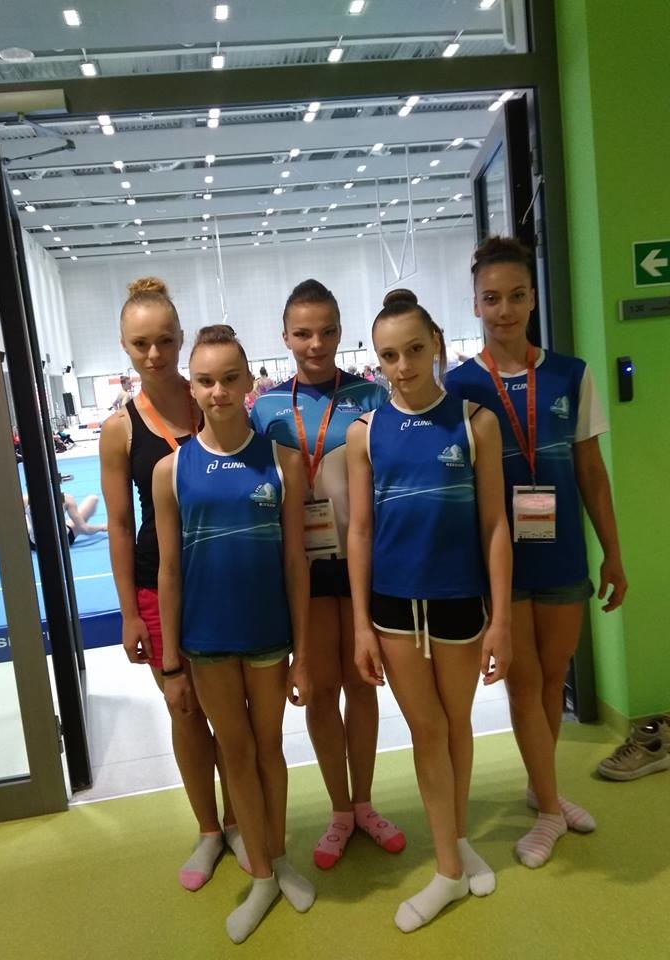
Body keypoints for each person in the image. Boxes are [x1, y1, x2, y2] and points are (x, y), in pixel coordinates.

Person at [446, 235, 628, 868]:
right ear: (475, 304)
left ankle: (539, 786)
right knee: (523, 683)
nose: (505, 310)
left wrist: (613, 553)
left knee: (553, 679)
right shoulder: (458, 386)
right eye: (491, 298)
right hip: (499, 561)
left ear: (532, 299)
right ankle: (550, 808)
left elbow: (591, 473)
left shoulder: (570, 375)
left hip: (562, 553)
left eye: (516, 296)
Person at [346, 288, 512, 932]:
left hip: (459, 604)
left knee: (456, 724)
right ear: (378, 359)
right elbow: (360, 531)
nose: (404, 366)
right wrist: (360, 624)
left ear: (437, 344)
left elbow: (495, 525)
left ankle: (456, 840)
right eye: (389, 356)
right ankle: (447, 868)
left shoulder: (475, 423)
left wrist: (501, 619)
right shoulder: (366, 433)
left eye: (415, 350)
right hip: (392, 609)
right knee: (427, 730)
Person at [153, 324, 315, 944]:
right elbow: (169, 572)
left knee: (269, 750)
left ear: (249, 381)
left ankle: (277, 856)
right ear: (191, 388)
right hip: (207, 642)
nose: (218, 391)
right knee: (236, 752)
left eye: (228, 379)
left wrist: (303, 653)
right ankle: (262, 876)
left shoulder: (283, 462)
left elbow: (296, 563)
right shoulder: (171, 471)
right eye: (205, 381)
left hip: (269, 638)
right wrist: (172, 662)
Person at [251, 279, 406, 869]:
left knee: (362, 684)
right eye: (303, 333)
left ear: (342, 331)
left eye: (327, 331)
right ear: (285, 337)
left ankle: (364, 802)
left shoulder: (371, 396)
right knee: (319, 690)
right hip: (303, 570)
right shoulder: (267, 409)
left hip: (363, 562)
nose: (315, 344)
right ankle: (339, 811)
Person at [99, 277, 245, 892]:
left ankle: (241, 822)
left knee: (233, 714)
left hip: (222, 577)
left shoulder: (214, 397)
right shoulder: (120, 429)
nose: (154, 354)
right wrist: (129, 613)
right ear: (125, 347)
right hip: (158, 587)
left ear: (181, 339)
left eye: (164, 340)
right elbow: (117, 524)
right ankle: (209, 829)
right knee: (185, 711)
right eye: (141, 344)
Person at [24, 492, 107, 548]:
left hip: (35, 544)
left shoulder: (26, 499)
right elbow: (85, 529)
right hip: (62, 541)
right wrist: (101, 527)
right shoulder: (66, 498)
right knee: (93, 498)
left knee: (29, 520)